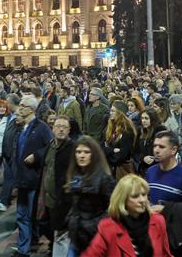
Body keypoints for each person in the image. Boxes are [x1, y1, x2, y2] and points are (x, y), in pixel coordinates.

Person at [82, 174, 172, 257]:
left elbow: (166, 254)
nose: (142, 200)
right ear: (123, 200)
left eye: (144, 195)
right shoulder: (108, 227)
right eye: (135, 196)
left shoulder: (158, 221)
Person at [13, 94, 53, 257]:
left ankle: (24, 249)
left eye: (22, 105)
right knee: (24, 215)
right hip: (22, 178)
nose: (19, 108)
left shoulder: (42, 127)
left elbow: (51, 148)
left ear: (30, 109)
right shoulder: (21, 127)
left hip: (33, 178)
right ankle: (29, 243)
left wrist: (37, 156)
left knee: (27, 215)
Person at [64, 136, 117, 256]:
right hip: (77, 236)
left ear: (94, 155)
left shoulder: (104, 178)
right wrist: (70, 220)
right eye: (78, 152)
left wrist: (95, 226)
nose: (81, 155)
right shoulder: (75, 174)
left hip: (95, 238)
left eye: (86, 152)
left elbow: (113, 208)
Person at [146, 130, 182, 222]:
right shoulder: (150, 171)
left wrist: (166, 210)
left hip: (173, 231)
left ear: (173, 150)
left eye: (161, 147)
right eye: (155, 146)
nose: (156, 150)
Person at [40, 115, 75, 254]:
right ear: (53, 129)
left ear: (69, 130)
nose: (61, 129)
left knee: (61, 235)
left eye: (64, 127)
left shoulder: (72, 149)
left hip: (62, 201)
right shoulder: (50, 145)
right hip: (47, 199)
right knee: (45, 227)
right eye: (58, 126)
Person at [103, 101, 137, 180]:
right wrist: (113, 150)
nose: (110, 113)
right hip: (109, 169)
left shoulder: (127, 129)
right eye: (110, 111)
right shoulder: (109, 126)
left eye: (113, 111)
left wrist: (107, 152)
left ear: (120, 112)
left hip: (121, 170)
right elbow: (101, 147)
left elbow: (122, 154)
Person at [135, 107, 166, 176]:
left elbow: (165, 150)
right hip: (143, 169)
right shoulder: (140, 131)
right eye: (142, 118)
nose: (143, 121)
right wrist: (143, 158)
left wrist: (154, 159)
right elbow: (135, 151)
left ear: (152, 119)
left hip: (158, 168)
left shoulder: (160, 130)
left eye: (146, 118)